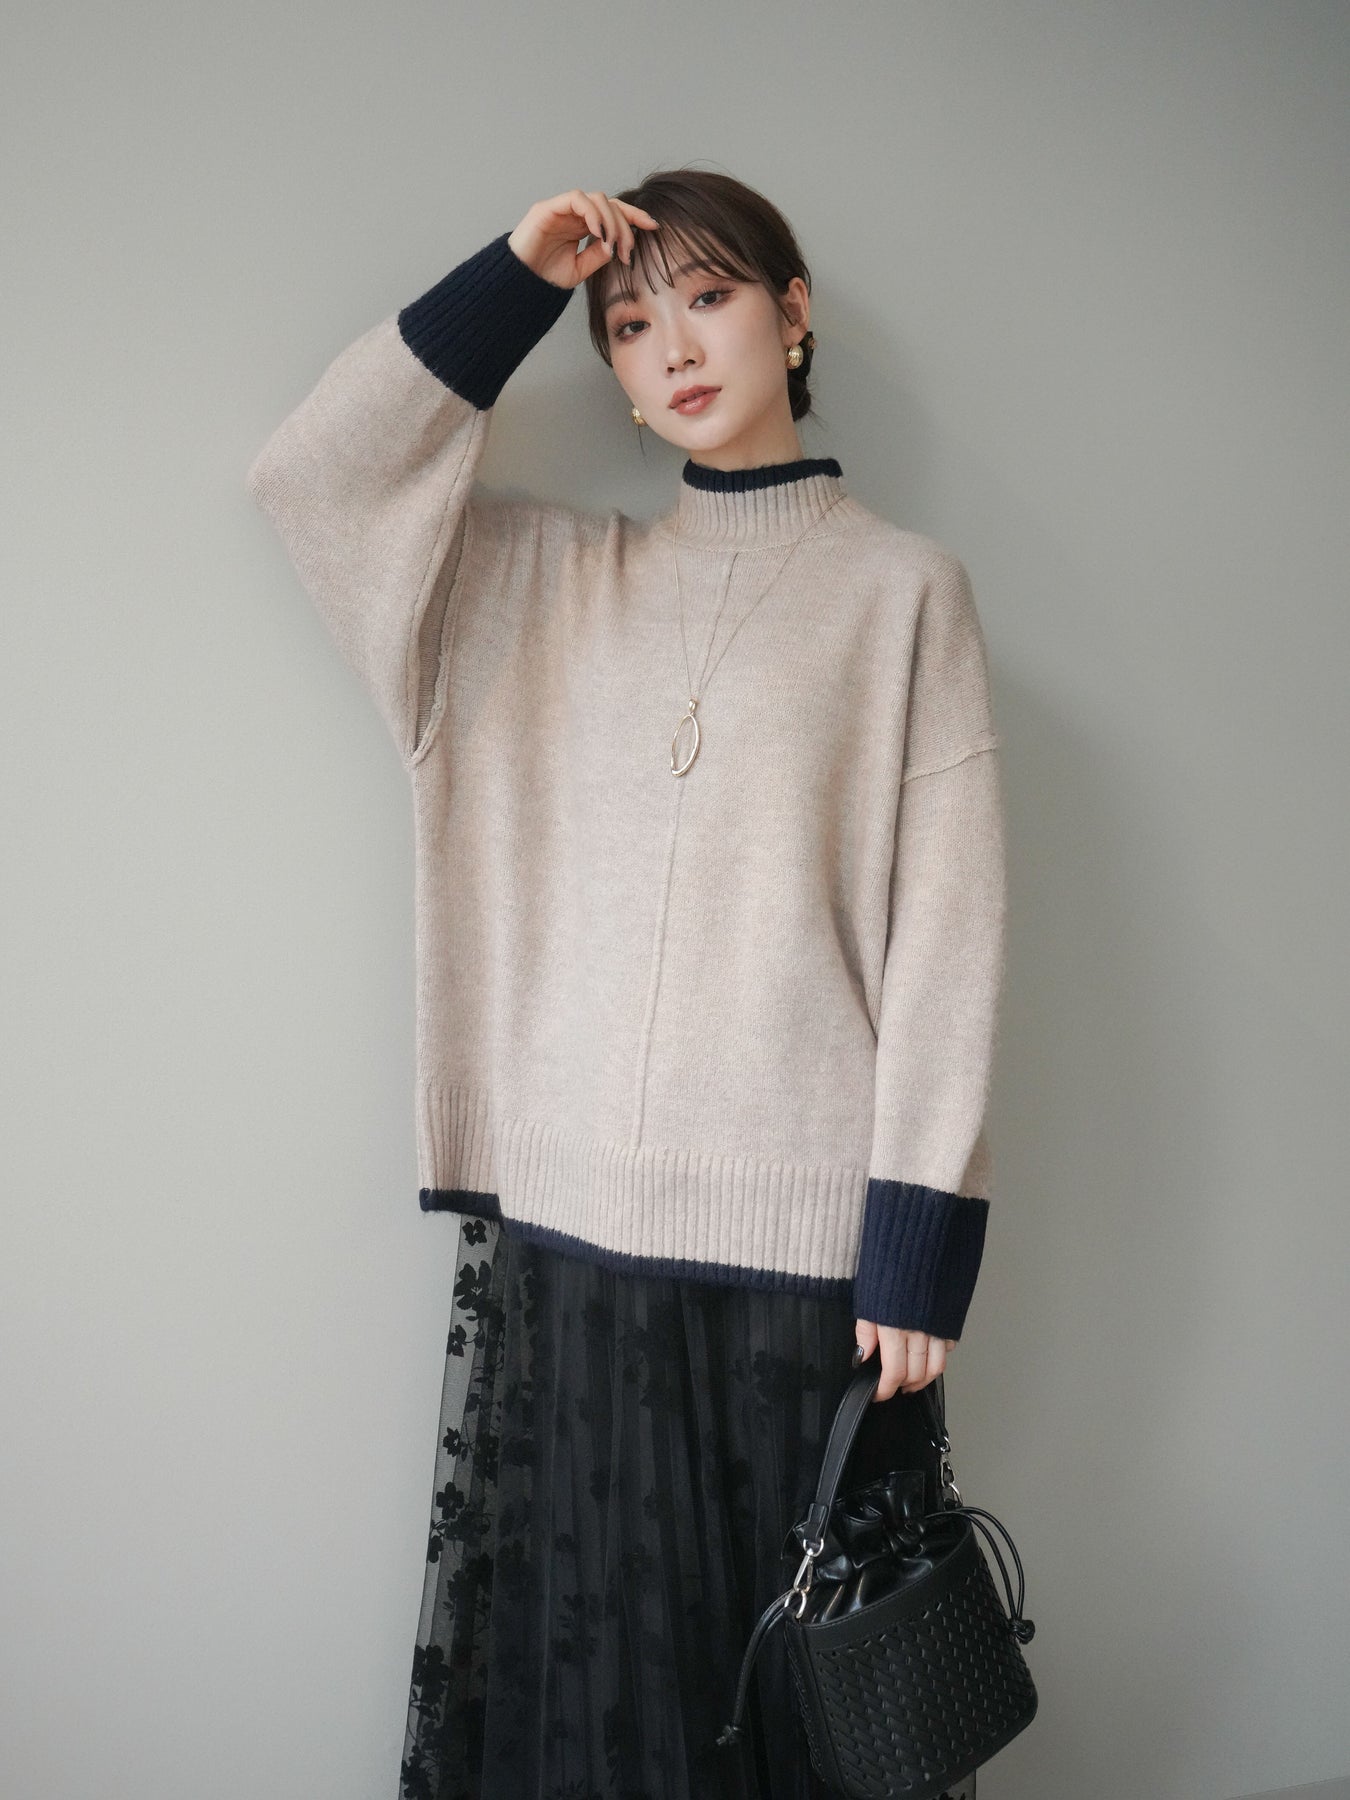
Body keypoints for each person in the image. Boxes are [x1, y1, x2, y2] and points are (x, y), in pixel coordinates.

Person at [246, 167, 1003, 1800]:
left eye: (709, 298)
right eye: (629, 324)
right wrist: (516, 277)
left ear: (792, 317)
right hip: (566, 1245)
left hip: (803, 1257)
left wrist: (920, 1240)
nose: (672, 346)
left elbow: (947, 932)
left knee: (797, 1708)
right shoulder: (524, 585)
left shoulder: (903, 595)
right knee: (592, 1716)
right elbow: (313, 480)